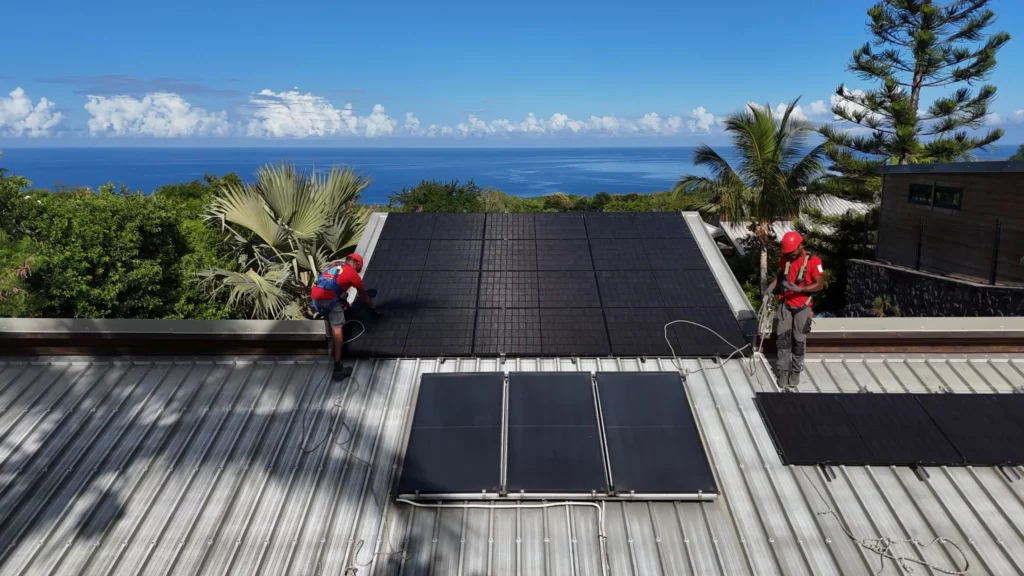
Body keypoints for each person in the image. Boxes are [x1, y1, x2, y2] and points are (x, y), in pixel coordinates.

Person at [766, 231, 824, 389]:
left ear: (800, 245)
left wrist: (799, 289)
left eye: (792, 252)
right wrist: (772, 286)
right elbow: (780, 274)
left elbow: (820, 284)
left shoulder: (813, 261)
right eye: (787, 253)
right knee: (783, 340)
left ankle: (796, 371)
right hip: (785, 304)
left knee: (798, 340)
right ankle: (783, 371)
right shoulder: (785, 258)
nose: (790, 255)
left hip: (802, 307)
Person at [311, 254, 379, 380]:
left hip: (315, 297)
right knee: (338, 333)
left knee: (342, 301)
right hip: (328, 300)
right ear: (356, 264)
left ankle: (331, 344)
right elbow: (364, 296)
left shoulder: (334, 266)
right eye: (358, 268)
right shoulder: (352, 274)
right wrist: (374, 308)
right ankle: (338, 368)